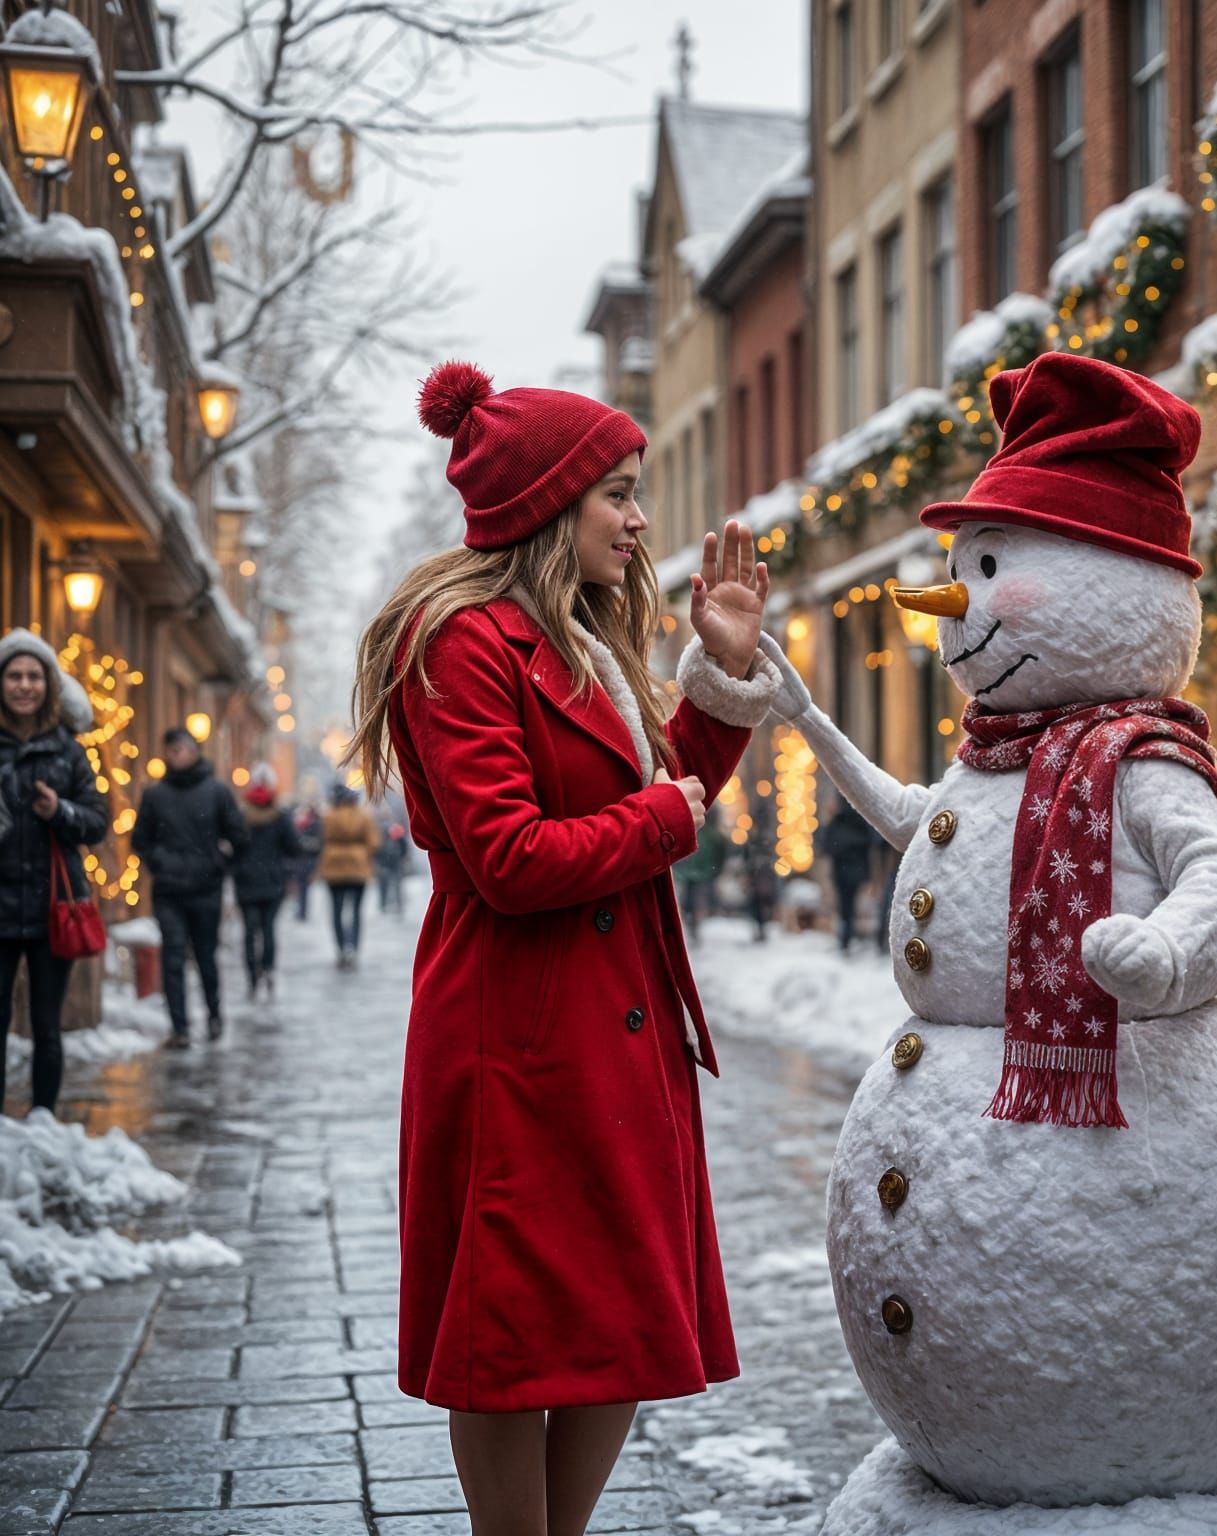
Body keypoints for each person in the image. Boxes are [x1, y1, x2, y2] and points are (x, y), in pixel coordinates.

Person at [347, 361, 779, 1536]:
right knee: (510, 1325)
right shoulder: (460, 645)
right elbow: (511, 856)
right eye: (620, 495)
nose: (640, 521)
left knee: (623, 1316)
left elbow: (655, 797)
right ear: (549, 501)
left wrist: (724, 673)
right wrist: (663, 817)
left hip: (611, 1019)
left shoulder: (583, 638)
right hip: (517, 1033)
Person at [0, 631, 108, 1114]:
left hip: (52, 910)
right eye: (14, 675)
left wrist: (58, 809)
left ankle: (43, 1119)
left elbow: (98, 821)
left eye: (34, 676)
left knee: (47, 1025)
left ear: (48, 684)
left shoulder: (69, 751)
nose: (24, 685)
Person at [132, 726, 248, 1047]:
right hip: (169, 891)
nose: (175, 755)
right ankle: (179, 1027)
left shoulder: (216, 792)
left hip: (205, 889)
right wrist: (161, 861)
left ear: (194, 751)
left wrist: (219, 866)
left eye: (180, 749)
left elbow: (238, 837)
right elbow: (140, 840)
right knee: (172, 959)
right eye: (170, 750)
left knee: (206, 957)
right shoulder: (155, 795)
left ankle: (213, 1015)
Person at [233, 763, 300, 1001]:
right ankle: (269, 968)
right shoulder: (280, 816)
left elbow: (233, 847)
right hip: (273, 881)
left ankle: (252, 975)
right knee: (269, 929)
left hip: (246, 881)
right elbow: (294, 847)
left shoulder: (241, 815)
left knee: (250, 932)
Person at [318, 783, 378, 969]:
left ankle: (341, 947)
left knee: (336, 911)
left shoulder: (329, 817)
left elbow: (322, 839)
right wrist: (362, 854)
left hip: (333, 867)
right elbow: (374, 843)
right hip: (357, 868)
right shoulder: (364, 817)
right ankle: (353, 946)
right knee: (356, 912)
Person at [818, 795, 875, 953]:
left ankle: (847, 938)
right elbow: (869, 843)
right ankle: (850, 936)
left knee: (846, 906)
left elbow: (827, 846)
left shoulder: (837, 822)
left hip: (842, 871)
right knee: (853, 906)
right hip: (856, 870)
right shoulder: (860, 822)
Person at [673, 806, 727, 940]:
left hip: (694, 874)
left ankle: (693, 923)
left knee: (691, 900)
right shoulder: (713, 835)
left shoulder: (702, 833)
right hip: (700, 874)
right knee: (694, 900)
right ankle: (694, 923)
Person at [741, 797, 779, 943]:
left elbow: (747, 851)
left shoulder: (753, 831)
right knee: (764, 899)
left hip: (756, 871)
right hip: (765, 870)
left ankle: (760, 926)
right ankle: (762, 926)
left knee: (756, 900)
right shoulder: (769, 831)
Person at [289, 801, 323, 920]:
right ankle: (300, 910)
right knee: (298, 888)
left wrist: (304, 843)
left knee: (304, 889)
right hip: (298, 861)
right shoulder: (296, 824)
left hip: (308, 862)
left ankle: (303, 912)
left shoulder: (316, 824)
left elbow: (319, 844)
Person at [375, 815, 409, 914]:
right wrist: (403, 858)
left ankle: (383, 905)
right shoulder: (396, 829)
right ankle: (399, 906)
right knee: (397, 885)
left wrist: (378, 861)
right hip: (396, 862)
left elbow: (375, 848)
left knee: (383, 885)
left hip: (384, 862)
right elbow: (404, 845)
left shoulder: (377, 831)